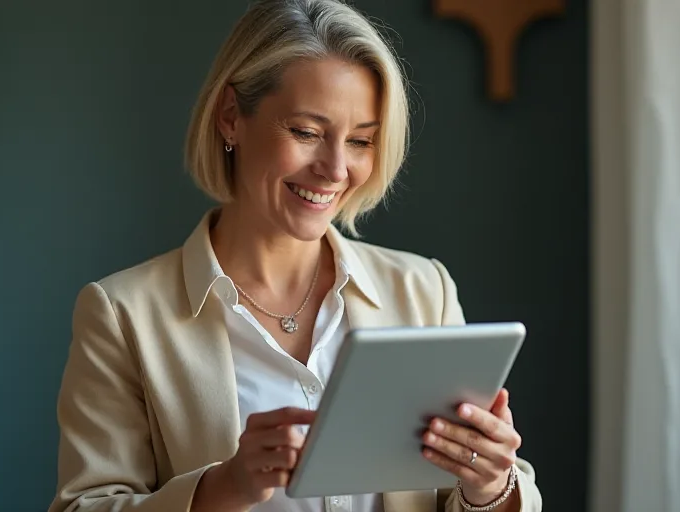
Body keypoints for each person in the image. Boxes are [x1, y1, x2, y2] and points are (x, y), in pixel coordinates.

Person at [47, 0, 542, 511]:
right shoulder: (122, 314)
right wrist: (226, 486)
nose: (335, 169)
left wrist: (490, 488)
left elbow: (487, 489)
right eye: (306, 132)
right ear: (231, 117)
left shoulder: (424, 291)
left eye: (360, 141)